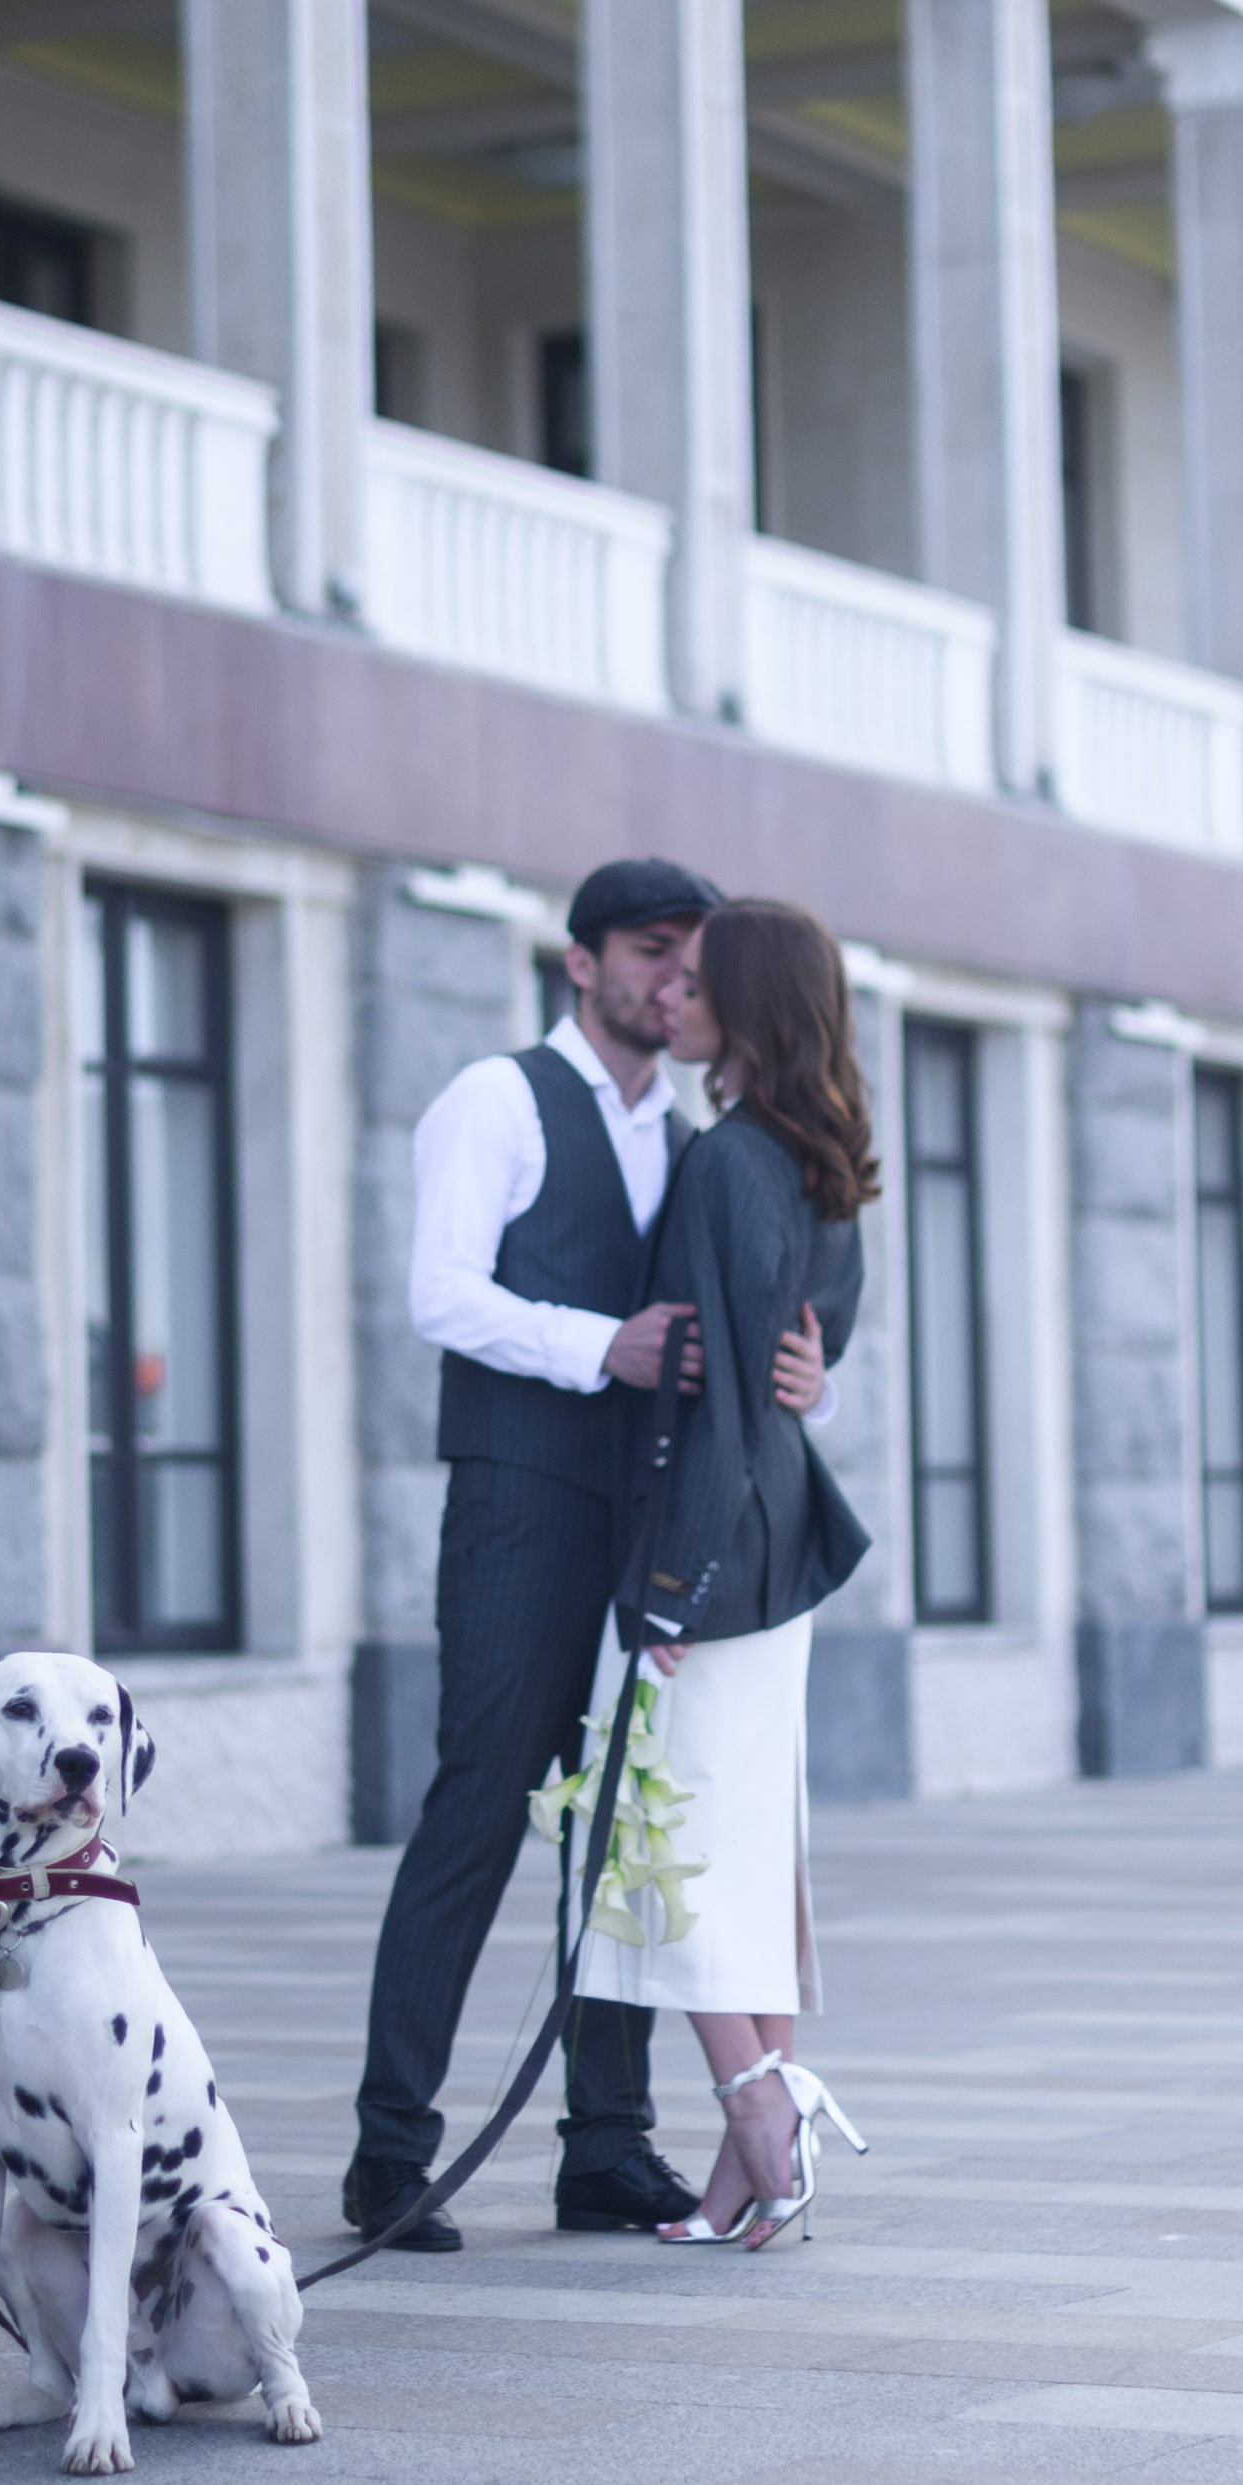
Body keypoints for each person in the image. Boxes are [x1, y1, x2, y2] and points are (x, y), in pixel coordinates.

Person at [343, 858, 828, 2252]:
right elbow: (440, 1292)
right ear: (582, 962)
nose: (678, 978)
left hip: (643, 1530)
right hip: (518, 1508)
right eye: (653, 952)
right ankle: (391, 2153)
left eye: (695, 959)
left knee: (622, 1826)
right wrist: (590, 1344)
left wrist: (811, 1380)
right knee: (484, 1807)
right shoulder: (495, 1099)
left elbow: (741, 1337)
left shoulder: (694, 1136)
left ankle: (606, 2148)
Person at [570, 898, 878, 2250]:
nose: (678, 993)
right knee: (742, 1853)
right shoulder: (822, 1160)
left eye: (702, 979)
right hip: (780, 1561)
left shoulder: (725, 1162)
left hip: (716, 1560)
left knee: (661, 1849)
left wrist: (668, 1585)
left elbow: (718, 1402)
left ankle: (759, 2116)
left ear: (743, 1006)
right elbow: (812, 1355)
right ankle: (748, 2161)